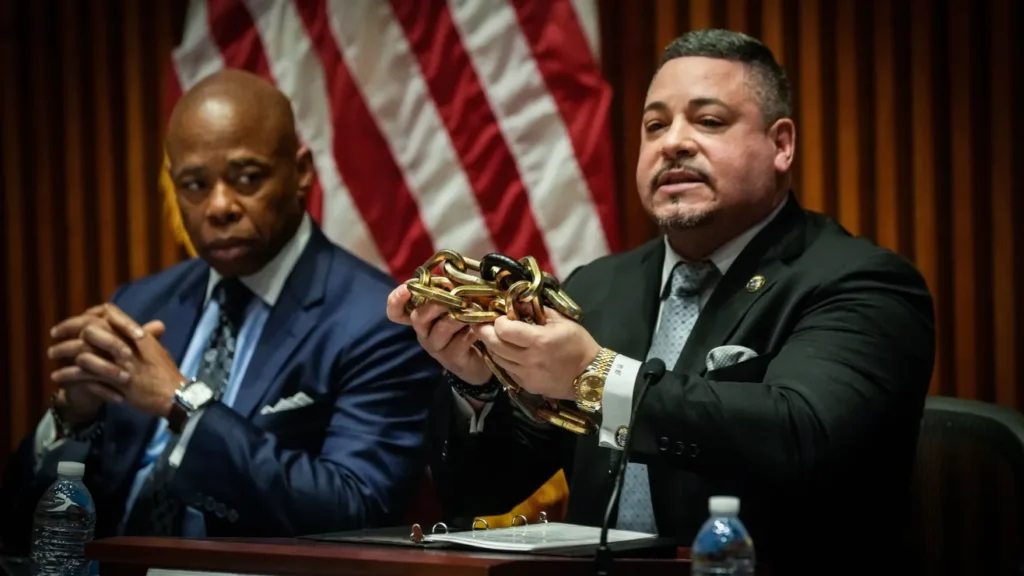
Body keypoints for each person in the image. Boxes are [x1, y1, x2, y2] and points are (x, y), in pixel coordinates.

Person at [388, 30, 934, 572]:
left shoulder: (862, 282)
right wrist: (477, 386)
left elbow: (801, 433)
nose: (673, 142)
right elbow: (481, 493)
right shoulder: (598, 286)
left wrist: (596, 375)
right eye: (655, 125)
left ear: (781, 145)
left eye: (709, 121)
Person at [0, 69, 440, 551]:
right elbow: (24, 529)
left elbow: (355, 509)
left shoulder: (377, 321)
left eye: (247, 178)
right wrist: (73, 418)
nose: (219, 206)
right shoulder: (140, 305)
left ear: (301, 172)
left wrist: (182, 402)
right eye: (194, 184)